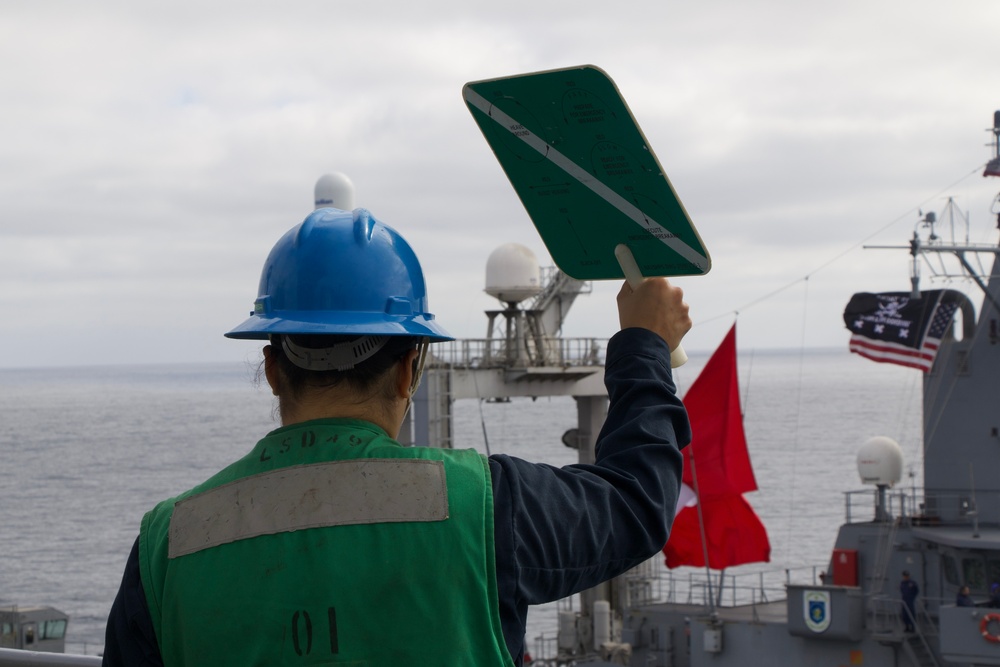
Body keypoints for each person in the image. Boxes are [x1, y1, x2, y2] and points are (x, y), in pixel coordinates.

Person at [101, 207, 692, 666]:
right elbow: (636, 502)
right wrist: (644, 345)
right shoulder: (485, 507)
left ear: (274, 368)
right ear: (413, 366)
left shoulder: (167, 544)